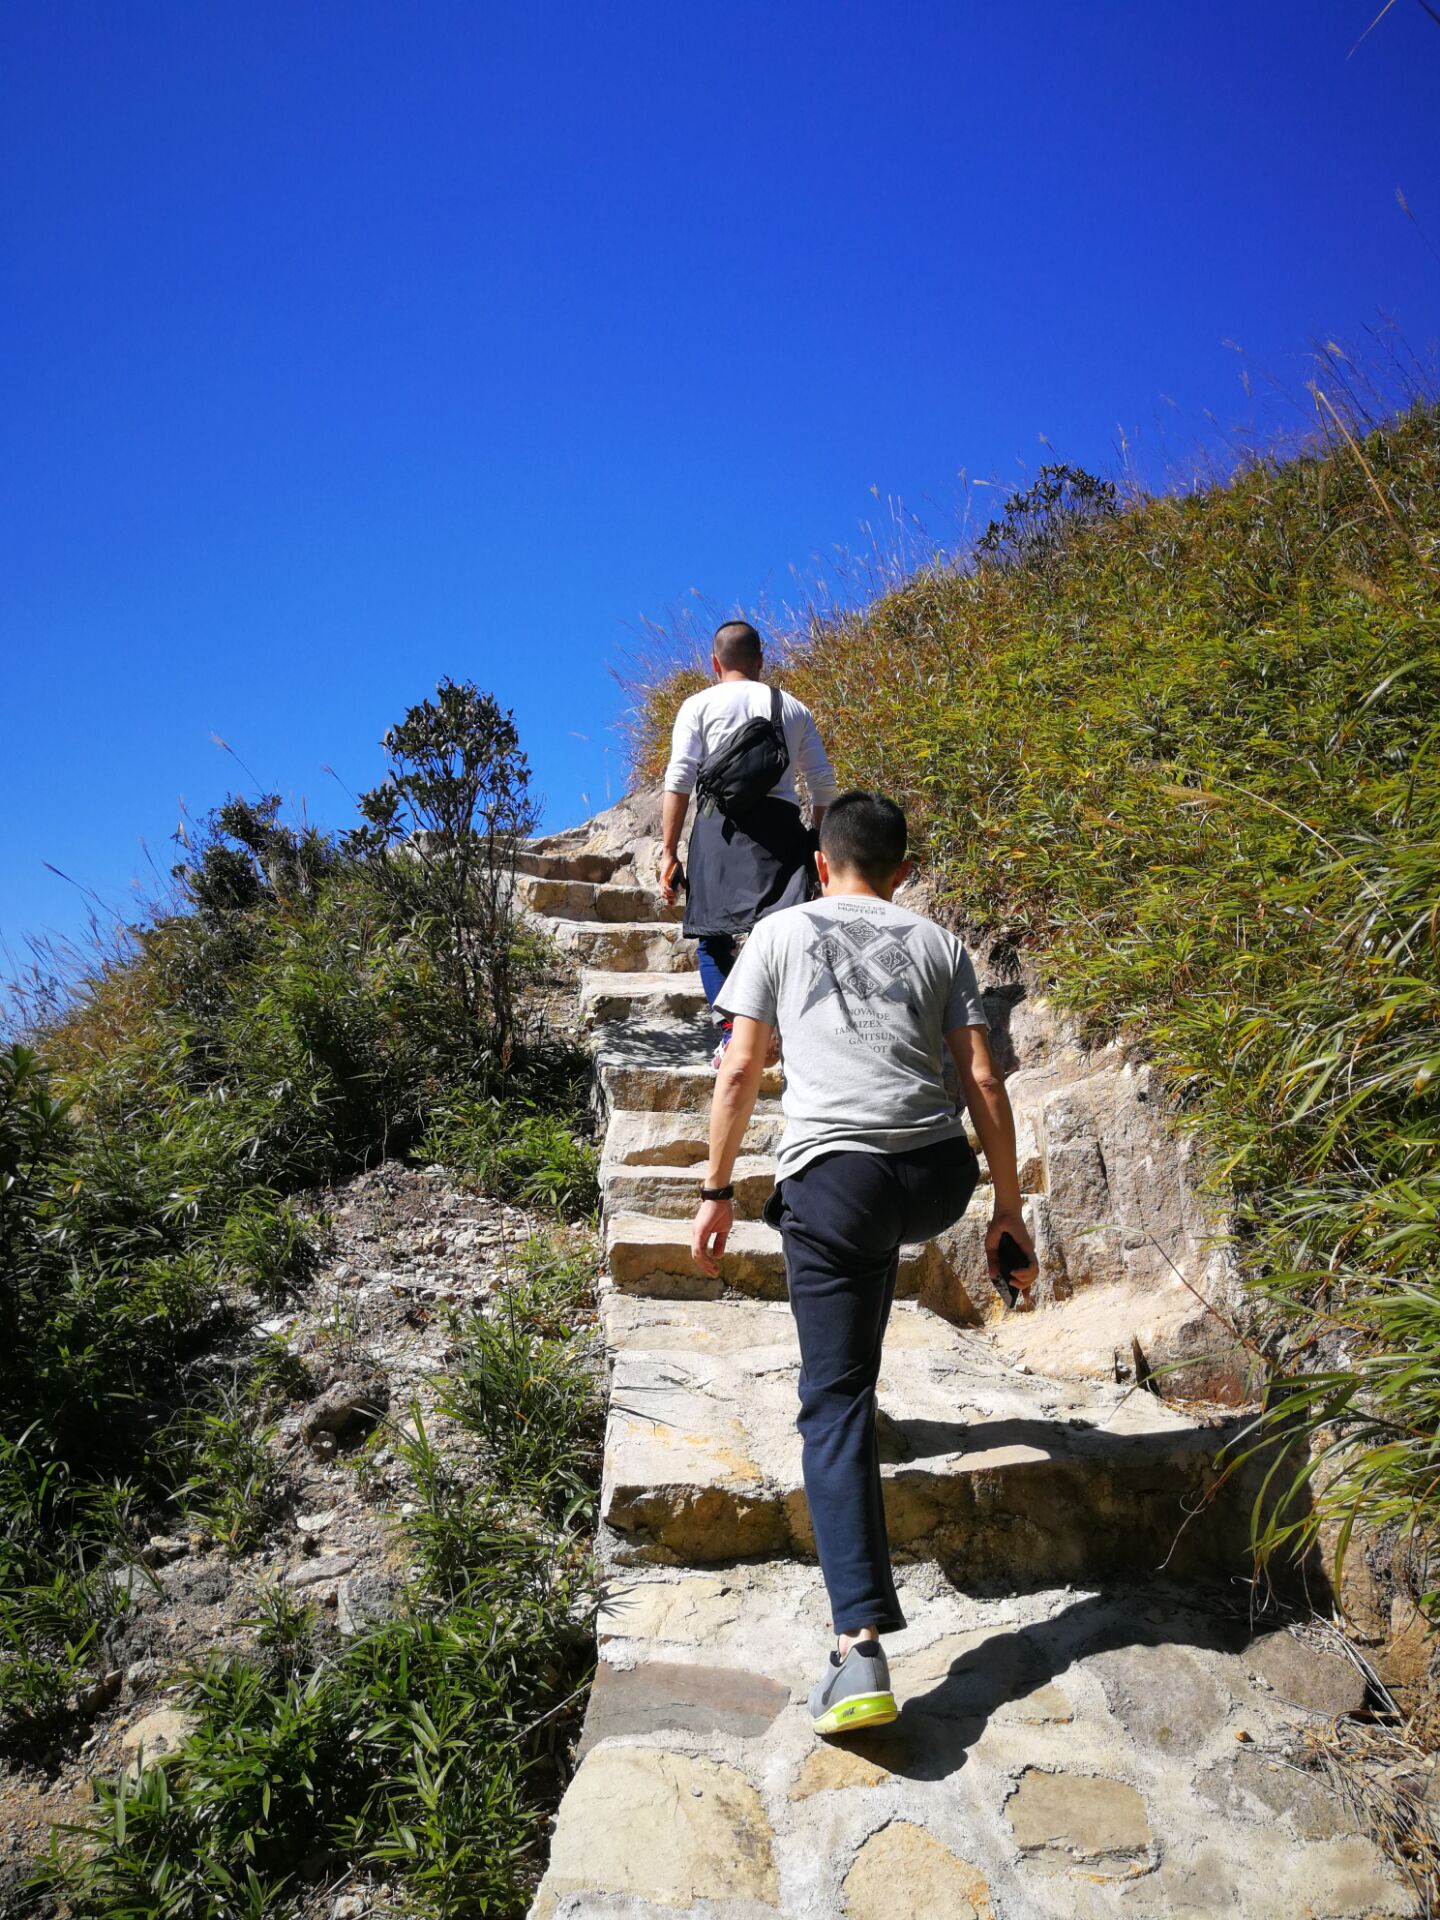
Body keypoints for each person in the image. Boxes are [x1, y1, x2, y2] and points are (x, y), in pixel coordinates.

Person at [688, 790, 1039, 1736]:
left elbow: (739, 1069)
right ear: (903, 872)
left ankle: (858, 1648)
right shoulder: (940, 944)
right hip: (934, 1178)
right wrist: (1007, 1212)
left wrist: (716, 1190)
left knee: (831, 1400)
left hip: (837, 1182)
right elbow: (982, 1077)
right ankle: (865, 1380)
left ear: (819, 860)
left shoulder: (777, 932)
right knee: (871, 1244)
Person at [658, 620, 838, 1067]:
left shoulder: (697, 706)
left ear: (714, 662)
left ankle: (733, 1035)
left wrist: (669, 851)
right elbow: (823, 784)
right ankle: (779, 1031)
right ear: (761, 660)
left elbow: (679, 780)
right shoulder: (792, 707)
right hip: (780, 831)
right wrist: (816, 842)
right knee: (776, 937)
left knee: (713, 940)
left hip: (717, 830)